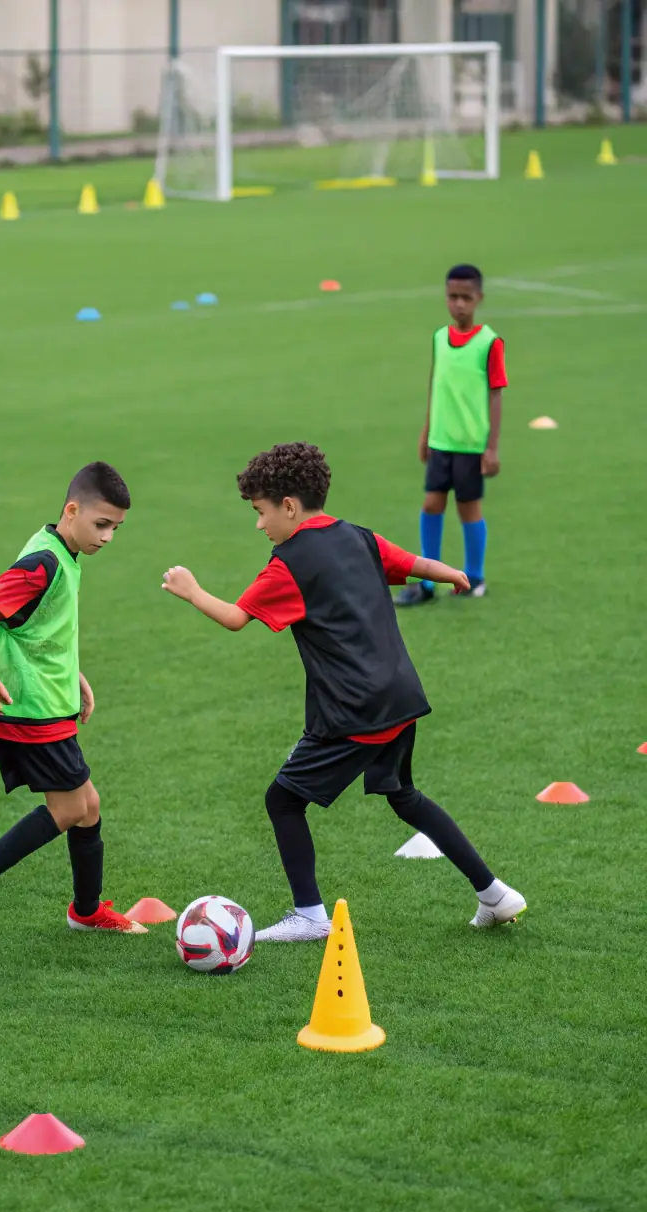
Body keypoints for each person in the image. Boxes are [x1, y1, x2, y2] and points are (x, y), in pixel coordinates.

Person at [162, 442, 525, 942]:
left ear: (289, 506)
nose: (260, 525)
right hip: (398, 696)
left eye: (261, 512)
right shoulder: (357, 535)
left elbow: (235, 618)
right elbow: (410, 563)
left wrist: (192, 590)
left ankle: (310, 915)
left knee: (282, 801)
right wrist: (447, 572)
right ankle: (495, 894)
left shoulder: (288, 563)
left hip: (354, 711)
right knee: (404, 796)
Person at [0, 462, 145, 946]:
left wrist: (73, 674)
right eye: (101, 524)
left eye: (116, 527)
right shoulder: (44, 562)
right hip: (30, 708)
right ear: (71, 510)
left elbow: (36, 627)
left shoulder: (63, 552)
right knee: (70, 808)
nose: (108, 537)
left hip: (49, 699)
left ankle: (86, 911)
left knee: (88, 806)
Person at [396, 263, 507, 606]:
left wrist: (491, 447)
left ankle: (474, 577)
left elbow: (496, 394)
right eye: (452, 296)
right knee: (432, 504)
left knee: (467, 508)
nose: (459, 304)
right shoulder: (439, 338)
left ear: (479, 298)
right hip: (440, 441)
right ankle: (428, 583)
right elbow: (436, 385)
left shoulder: (489, 343)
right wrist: (426, 431)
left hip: (470, 444)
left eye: (466, 297)